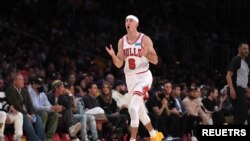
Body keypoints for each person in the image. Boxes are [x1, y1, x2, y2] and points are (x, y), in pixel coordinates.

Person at [106, 15, 163, 141]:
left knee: (132, 108)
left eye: (130, 20)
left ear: (136, 24)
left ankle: (132, 139)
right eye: (126, 20)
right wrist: (113, 56)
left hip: (143, 76)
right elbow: (119, 64)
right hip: (130, 78)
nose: (127, 22)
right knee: (141, 112)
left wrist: (146, 53)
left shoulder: (145, 39)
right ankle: (155, 136)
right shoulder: (122, 41)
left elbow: (155, 60)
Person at [5, 72, 46, 141]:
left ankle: (42, 139)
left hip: (27, 114)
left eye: (23, 79)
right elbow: (16, 105)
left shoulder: (24, 90)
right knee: (25, 118)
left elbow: (30, 105)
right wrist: (27, 114)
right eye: (21, 80)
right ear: (15, 81)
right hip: (18, 114)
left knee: (37, 117)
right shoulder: (10, 90)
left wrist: (32, 114)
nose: (23, 81)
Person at [226, 42, 250, 124]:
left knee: (242, 113)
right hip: (236, 89)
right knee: (242, 112)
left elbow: (242, 80)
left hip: (241, 89)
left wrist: (248, 90)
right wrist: (232, 89)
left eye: (247, 49)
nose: (247, 50)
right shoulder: (236, 60)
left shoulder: (244, 62)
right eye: (244, 49)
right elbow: (228, 76)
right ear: (239, 49)